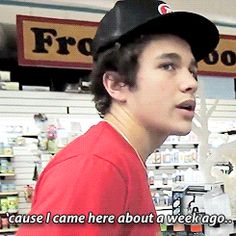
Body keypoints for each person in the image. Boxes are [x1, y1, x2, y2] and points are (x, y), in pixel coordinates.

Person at [16, 0, 219, 235]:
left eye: (192, 71)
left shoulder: (122, 160)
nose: (191, 83)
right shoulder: (96, 167)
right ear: (117, 84)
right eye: (168, 66)